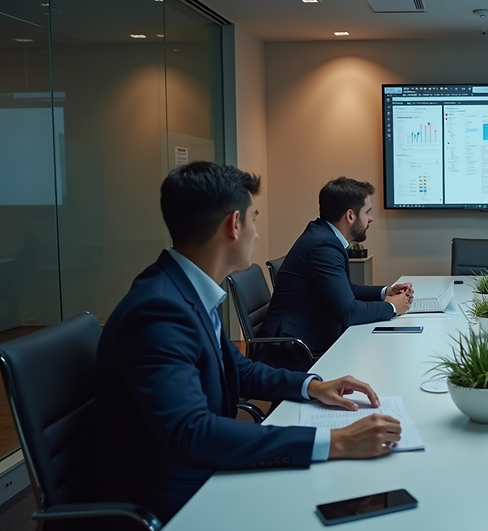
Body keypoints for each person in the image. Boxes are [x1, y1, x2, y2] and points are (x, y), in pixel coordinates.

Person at [95, 161, 402, 524]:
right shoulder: (158, 310)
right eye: (254, 219)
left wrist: (313, 386)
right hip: (173, 495)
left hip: (199, 468)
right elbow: (193, 433)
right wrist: (336, 442)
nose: (257, 234)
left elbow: (237, 367)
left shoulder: (182, 290)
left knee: (351, 496)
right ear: (234, 225)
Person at [263, 177, 413, 357]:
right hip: (294, 348)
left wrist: (386, 292)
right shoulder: (323, 245)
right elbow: (348, 312)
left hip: (309, 334)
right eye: (367, 212)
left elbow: (347, 289)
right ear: (350, 215)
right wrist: (392, 307)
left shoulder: (322, 236)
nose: (371, 219)